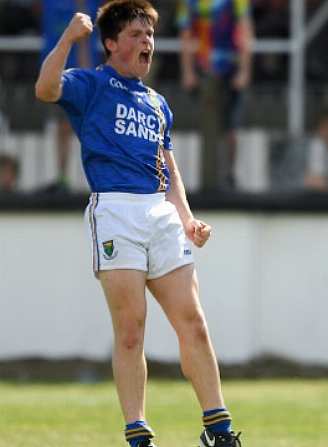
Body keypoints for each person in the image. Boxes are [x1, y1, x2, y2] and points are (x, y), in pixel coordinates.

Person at [34, 2, 243, 446]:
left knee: (194, 321)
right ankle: (138, 434)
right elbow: (45, 88)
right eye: (135, 34)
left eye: (149, 34)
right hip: (115, 211)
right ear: (110, 43)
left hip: (159, 214)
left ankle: (219, 430)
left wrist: (187, 218)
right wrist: (69, 40)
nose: (146, 42)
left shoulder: (156, 103)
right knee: (131, 331)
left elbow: (168, 170)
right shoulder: (90, 85)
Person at [178, 0, 254, 191]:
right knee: (208, 126)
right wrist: (188, 72)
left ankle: (229, 175)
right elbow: (186, 35)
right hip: (204, 69)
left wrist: (244, 70)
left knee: (231, 128)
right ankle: (208, 179)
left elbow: (245, 31)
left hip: (231, 68)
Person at [39, 0, 104, 193]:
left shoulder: (92, 5)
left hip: (84, 76)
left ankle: (99, 179)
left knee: (90, 128)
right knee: (63, 127)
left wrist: (88, 73)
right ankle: (62, 176)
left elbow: (86, 39)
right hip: (56, 73)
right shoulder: (51, 4)